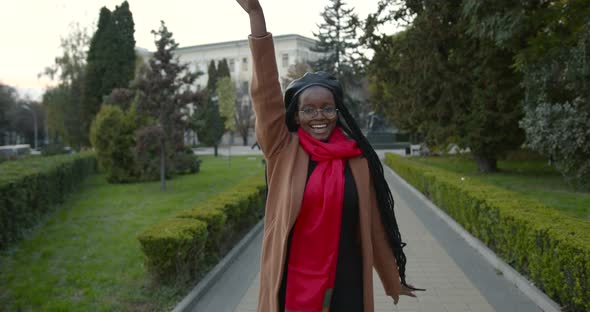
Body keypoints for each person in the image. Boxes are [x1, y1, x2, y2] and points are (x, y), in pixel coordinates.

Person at [234, 1, 422, 311]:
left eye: (327, 108)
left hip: (348, 283)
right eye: (309, 109)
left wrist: (393, 278)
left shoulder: (357, 159)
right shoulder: (283, 150)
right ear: (296, 113)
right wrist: (257, 16)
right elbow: (266, 93)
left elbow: (373, 226)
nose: (319, 116)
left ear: (338, 112)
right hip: (292, 283)